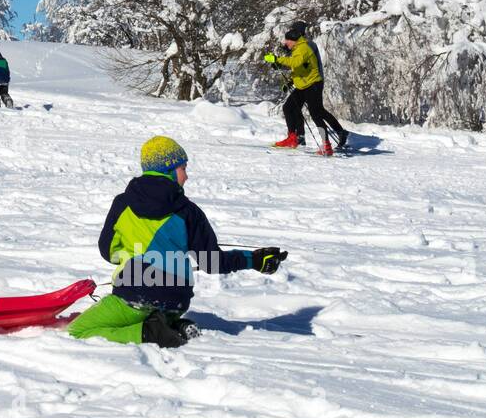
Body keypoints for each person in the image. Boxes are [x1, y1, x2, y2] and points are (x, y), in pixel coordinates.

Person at [68, 136, 287, 347]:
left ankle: (150, 334)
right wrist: (255, 259)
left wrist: (128, 254)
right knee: (156, 308)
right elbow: (212, 262)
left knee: (78, 330)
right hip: (176, 301)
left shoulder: (123, 204)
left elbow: (108, 251)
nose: (186, 176)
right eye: (183, 169)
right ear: (169, 170)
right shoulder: (188, 211)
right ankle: (174, 325)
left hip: (134, 295)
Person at [264, 21, 348, 154]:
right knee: (290, 107)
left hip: (313, 83)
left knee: (317, 113)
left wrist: (277, 59)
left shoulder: (306, 46)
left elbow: (297, 62)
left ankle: (328, 142)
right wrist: (290, 81)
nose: (286, 43)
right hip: (304, 83)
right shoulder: (298, 47)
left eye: (289, 39)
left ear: (296, 35)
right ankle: (294, 137)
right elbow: (301, 68)